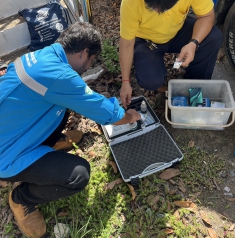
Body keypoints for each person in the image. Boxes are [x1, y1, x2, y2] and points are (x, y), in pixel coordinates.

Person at [0, 22, 140, 238]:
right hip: (6, 155)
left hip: (12, 129)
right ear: (84, 53)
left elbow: (77, 96)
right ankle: (22, 199)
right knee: (78, 176)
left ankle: (48, 144)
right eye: (91, 60)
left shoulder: (43, 56)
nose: (88, 65)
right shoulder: (60, 77)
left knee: (62, 104)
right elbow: (105, 113)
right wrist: (129, 116)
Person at [119, 0, 223, 108]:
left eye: (164, 8)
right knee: (150, 80)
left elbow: (206, 16)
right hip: (148, 40)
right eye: (151, 7)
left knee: (213, 38)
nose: (157, 11)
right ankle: (167, 88)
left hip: (177, 30)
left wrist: (193, 43)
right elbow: (126, 44)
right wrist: (125, 82)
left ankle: (195, 85)